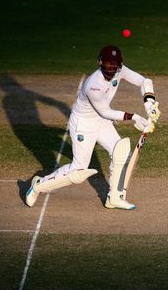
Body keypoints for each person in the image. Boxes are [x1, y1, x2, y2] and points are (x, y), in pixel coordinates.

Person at [25, 45, 160, 209]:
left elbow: (144, 81)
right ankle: (38, 185)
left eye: (115, 65)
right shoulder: (93, 85)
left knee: (121, 153)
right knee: (79, 172)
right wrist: (134, 117)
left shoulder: (120, 70)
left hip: (101, 122)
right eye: (108, 64)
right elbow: (105, 111)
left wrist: (149, 104)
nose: (111, 68)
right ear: (100, 62)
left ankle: (114, 198)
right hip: (84, 124)